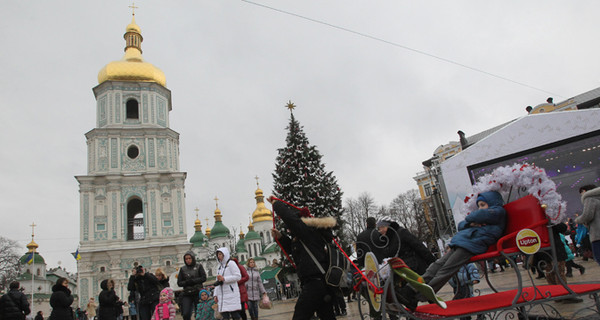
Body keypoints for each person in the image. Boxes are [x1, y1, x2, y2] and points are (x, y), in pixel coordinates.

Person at [402, 191, 506, 310]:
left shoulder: (497, 211)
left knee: (446, 269)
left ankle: (418, 296)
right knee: (436, 265)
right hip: (463, 243)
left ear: (492, 202)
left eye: (483, 205)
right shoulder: (486, 217)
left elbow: (475, 216)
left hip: (473, 245)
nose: (480, 208)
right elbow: (462, 225)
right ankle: (410, 289)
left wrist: (473, 219)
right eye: (479, 206)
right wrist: (472, 221)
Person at [268, 196, 337, 320]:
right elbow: (294, 251)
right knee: (327, 316)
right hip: (319, 284)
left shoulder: (308, 232)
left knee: (300, 315)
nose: (290, 229)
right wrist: (281, 237)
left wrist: (276, 204)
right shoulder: (304, 238)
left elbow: (290, 219)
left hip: (314, 283)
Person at [214, 247, 242, 319]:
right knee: (225, 316)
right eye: (218, 254)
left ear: (224, 254)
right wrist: (215, 294)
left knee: (235, 315)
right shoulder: (219, 267)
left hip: (231, 294)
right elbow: (217, 281)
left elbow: (238, 276)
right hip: (222, 295)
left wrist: (225, 279)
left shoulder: (231, 264)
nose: (219, 256)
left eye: (220, 254)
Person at [177, 251, 207, 320]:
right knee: (186, 313)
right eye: (186, 259)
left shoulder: (199, 266)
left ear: (193, 258)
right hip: (187, 292)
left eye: (189, 258)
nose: (188, 260)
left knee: (199, 313)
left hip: (197, 292)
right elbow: (179, 282)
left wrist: (194, 281)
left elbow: (203, 278)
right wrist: (187, 282)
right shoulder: (183, 269)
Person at [576, 184, 600, 265]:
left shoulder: (589, 199)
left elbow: (587, 216)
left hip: (597, 235)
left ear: (586, 191)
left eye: (582, 192)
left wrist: (578, 220)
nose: (581, 195)